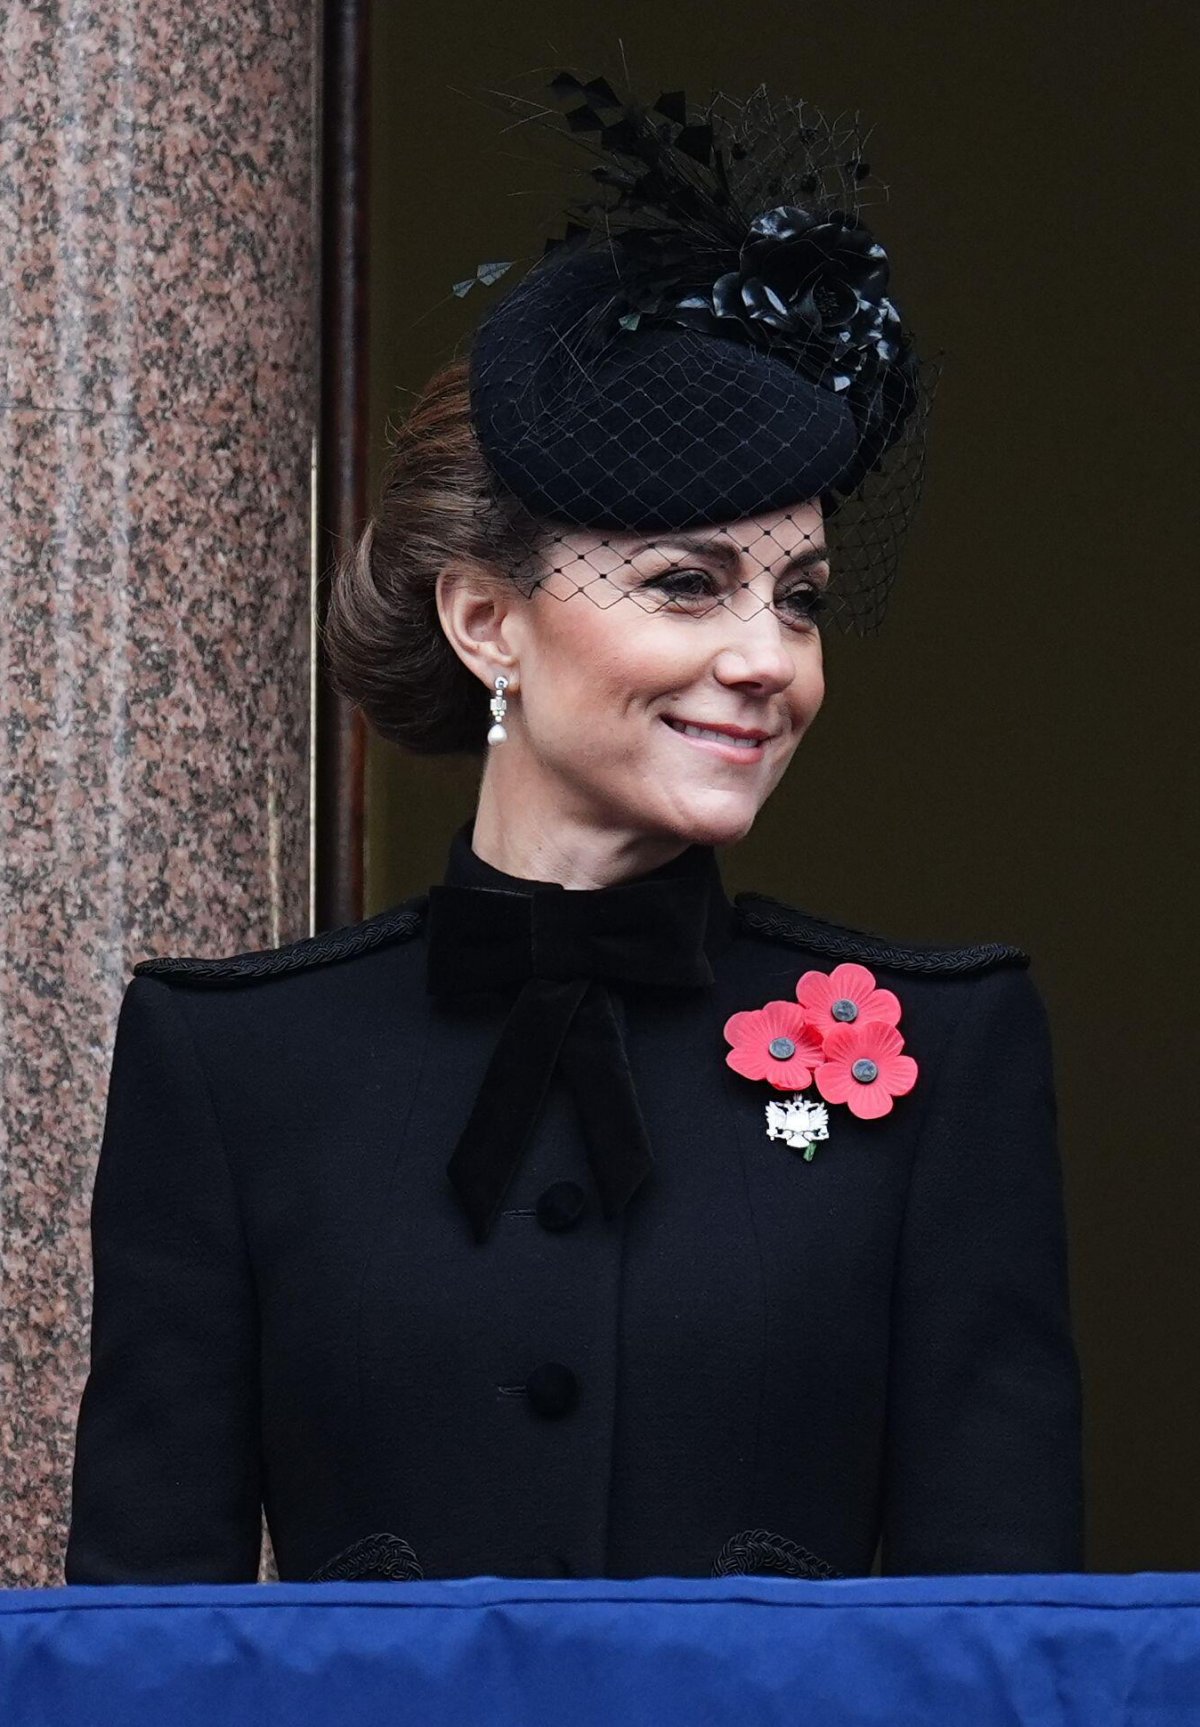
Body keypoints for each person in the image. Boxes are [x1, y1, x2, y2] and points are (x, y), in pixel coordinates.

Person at [64, 71, 1084, 1585]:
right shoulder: (233, 1070)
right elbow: (143, 1651)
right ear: (487, 622)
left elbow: (1008, 1651)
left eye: (795, 598)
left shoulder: (949, 1055)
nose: (767, 657)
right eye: (686, 583)